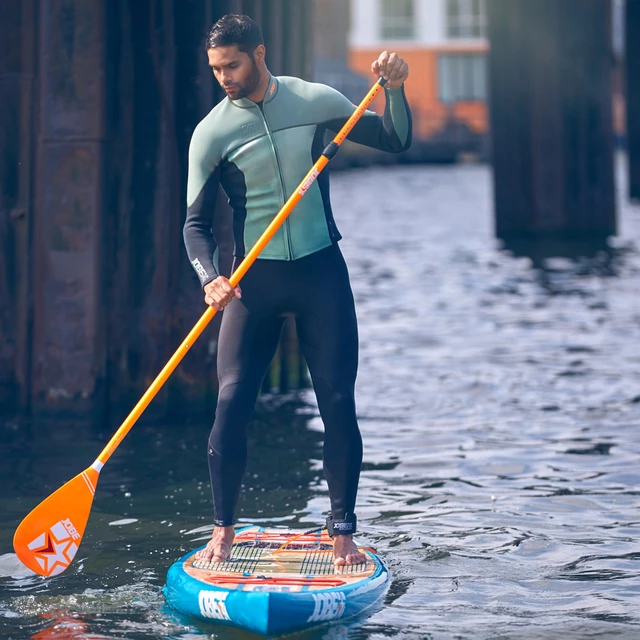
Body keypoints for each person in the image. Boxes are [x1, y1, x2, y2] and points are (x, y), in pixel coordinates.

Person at [184, 14, 411, 567]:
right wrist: (209, 276)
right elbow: (194, 224)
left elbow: (397, 139)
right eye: (216, 69)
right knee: (232, 400)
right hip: (251, 283)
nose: (225, 78)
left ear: (259, 54)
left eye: (232, 65)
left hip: (319, 273)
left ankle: (342, 534)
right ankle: (223, 530)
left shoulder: (315, 101)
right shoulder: (212, 132)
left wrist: (397, 90)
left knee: (337, 401)